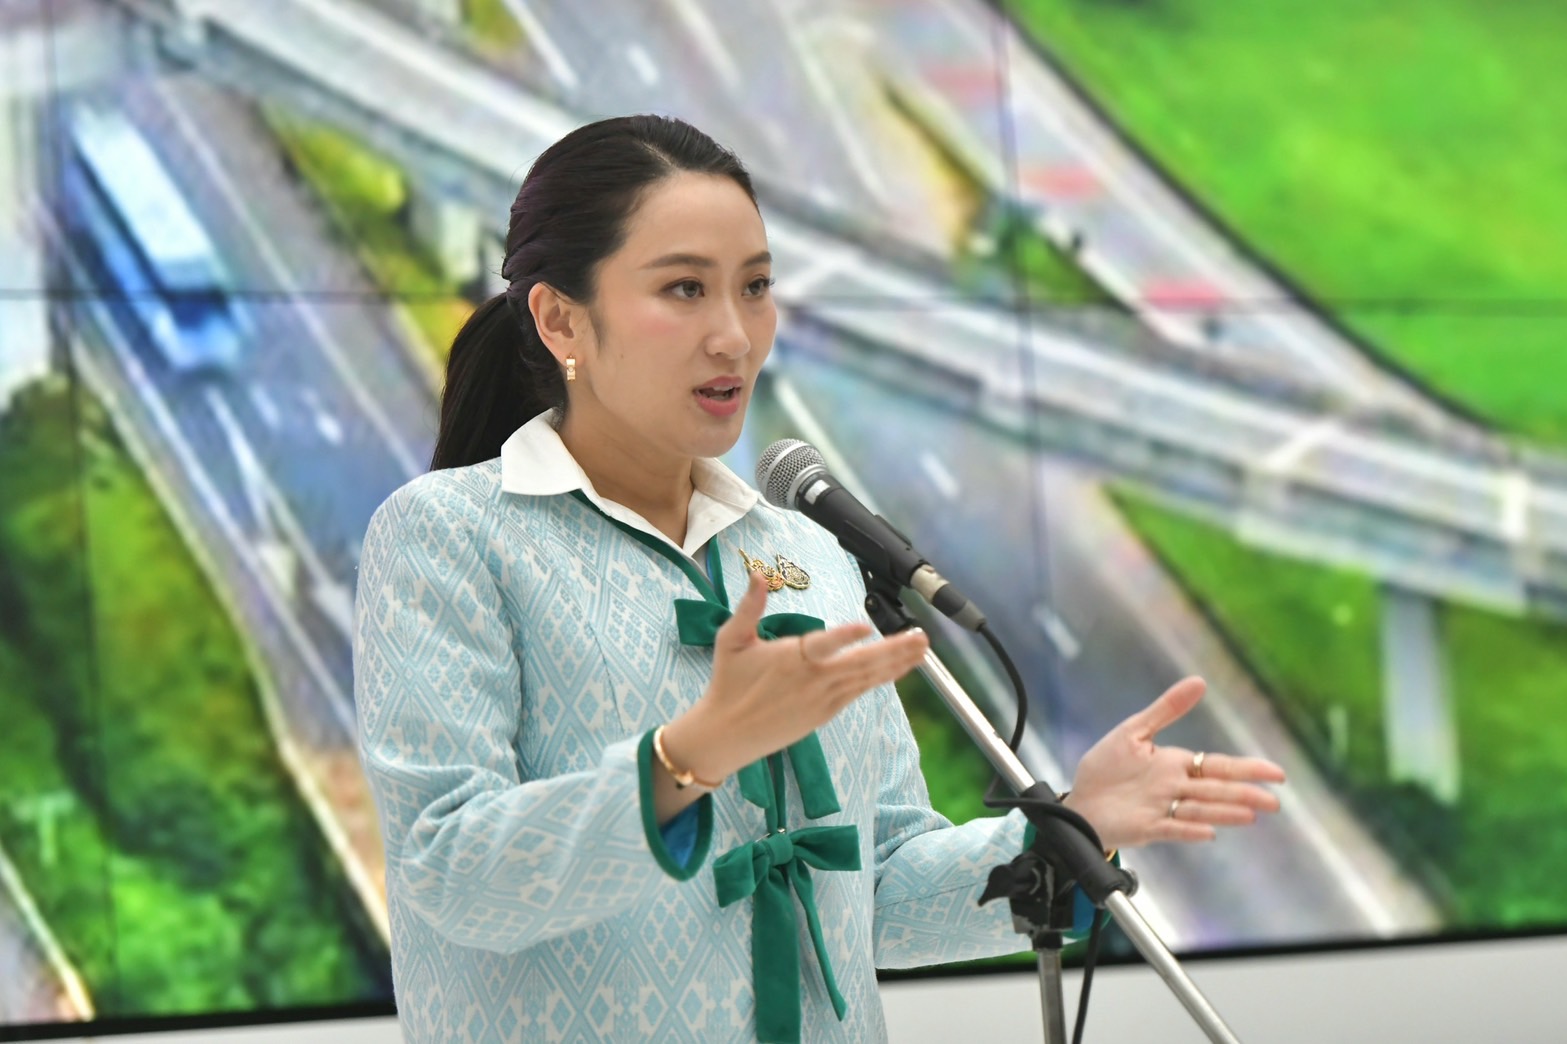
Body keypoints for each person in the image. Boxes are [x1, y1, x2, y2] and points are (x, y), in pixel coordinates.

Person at [351, 114, 1286, 1044]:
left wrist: (1070, 832)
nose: (734, 336)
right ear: (561, 319)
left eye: (755, 288)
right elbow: (451, 874)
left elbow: (877, 888)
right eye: (684, 289)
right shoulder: (450, 536)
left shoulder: (808, 559)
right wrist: (687, 758)